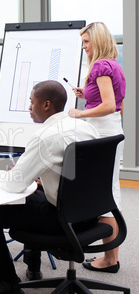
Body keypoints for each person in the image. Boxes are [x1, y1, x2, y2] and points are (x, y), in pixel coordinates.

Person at [0, 80, 99, 294]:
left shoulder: (44, 138)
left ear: (46, 105)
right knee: (33, 197)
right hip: (90, 213)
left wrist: (16, 175)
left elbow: (13, 185)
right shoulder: (85, 127)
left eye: (32, 102)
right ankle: (33, 265)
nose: (29, 108)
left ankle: (7, 282)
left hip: (62, 219)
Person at [68, 22, 125, 273]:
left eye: (86, 42)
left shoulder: (100, 66)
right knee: (108, 192)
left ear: (98, 42)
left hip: (101, 133)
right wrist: (87, 95)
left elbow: (110, 105)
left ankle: (110, 260)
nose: (84, 48)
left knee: (106, 196)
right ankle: (110, 257)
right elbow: (108, 100)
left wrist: (80, 113)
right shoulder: (114, 65)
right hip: (110, 131)